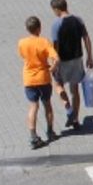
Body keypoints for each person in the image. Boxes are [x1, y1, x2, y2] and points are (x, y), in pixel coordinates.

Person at [49, 0, 93, 131]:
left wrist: (53, 63)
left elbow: (54, 46)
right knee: (75, 90)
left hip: (63, 61)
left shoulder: (56, 24)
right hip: (77, 59)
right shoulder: (78, 20)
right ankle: (75, 120)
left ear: (57, 9)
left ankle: (68, 109)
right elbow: (86, 38)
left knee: (57, 84)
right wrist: (90, 57)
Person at [18, 15, 59, 149]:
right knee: (47, 104)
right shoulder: (44, 42)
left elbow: (23, 56)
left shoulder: (22, 43)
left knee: (33, 106)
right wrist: (52, 68)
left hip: (29, 78)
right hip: (43, 77)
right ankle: (50, 131)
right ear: (39, 29)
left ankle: (33, 136)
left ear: (27, 29)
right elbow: (56, 58)